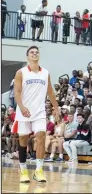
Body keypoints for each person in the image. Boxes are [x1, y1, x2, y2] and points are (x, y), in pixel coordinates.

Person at [12, 46, 60, 183]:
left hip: (39, 111)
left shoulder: (45, 73)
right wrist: (21, 107)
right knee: (23, 141)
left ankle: (39, 171)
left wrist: (56, 108)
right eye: (32, 52)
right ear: (27, 57)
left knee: (41, 136)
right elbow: (17, 92)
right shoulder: (21, 72)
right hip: (24, 112)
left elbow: (50, 91)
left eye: (36, 52)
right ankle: (23, 170)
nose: (35, 54)